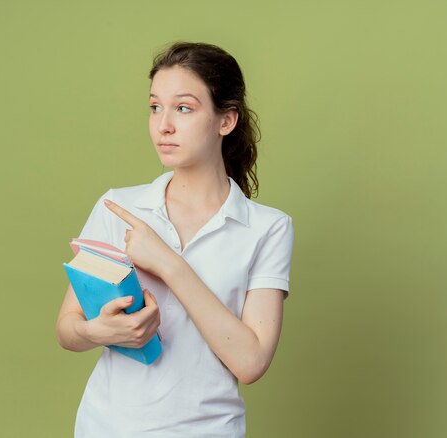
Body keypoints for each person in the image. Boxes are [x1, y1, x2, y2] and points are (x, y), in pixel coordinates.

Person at [56, 42, 294, 437]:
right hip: (105, 426)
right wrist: (97, 332)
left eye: (183, 108)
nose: (163, 124)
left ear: (226, 121)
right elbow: (68, 328)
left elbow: (251, 362)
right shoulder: (118, 207)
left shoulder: (268, 228)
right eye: (155, 107)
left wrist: (169, 264)